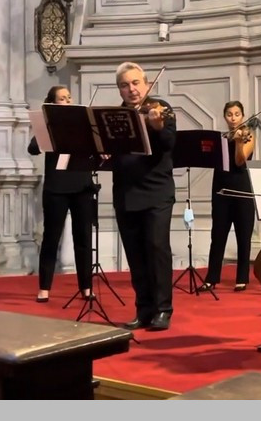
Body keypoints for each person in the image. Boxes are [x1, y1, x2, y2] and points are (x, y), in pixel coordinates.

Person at [112, 62, 177, 331]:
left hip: (157, 191)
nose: (132, 89)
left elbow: (170, 144)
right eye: (125, 85)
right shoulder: (115, 116)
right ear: (120, 89)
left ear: (146, 84)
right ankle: (144, 310)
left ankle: (163, 309)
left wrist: (158, 126)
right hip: (126, 193)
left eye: (136, 83)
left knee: (156, 249)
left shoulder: (161, 109)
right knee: (135, 254)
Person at [27, 85, 96, 303]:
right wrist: (46, 126)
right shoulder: (49, 125)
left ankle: (86, 287)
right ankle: (44, 287)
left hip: (82, 185)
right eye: (62, 99)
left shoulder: (83, 124)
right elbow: (33, 148)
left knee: (83, 238)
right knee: (51, 238)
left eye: (69, 97)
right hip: (56, 188)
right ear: (53, 104)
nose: (67, 101)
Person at [200, 101, 257, 293]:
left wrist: (240, 141)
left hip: (242, 190)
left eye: (237, 114)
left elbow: (240, 162)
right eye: (229, 114)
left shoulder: (248, 135)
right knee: (218, 234)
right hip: (221, 189)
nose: (233, 118)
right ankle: (212, 277)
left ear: (242, 116)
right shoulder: (221, 138)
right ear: (225, 117)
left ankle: (242, 278)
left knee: (243, 235)